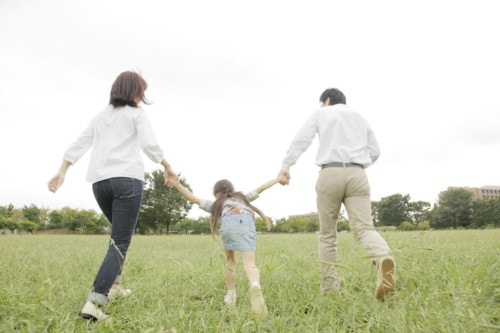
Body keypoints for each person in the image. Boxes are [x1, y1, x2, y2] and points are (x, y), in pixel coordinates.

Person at [48, 71, 178, 320]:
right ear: (135, 92)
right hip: (127, 181)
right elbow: (150, 145)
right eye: (141, 91)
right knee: (120, 242)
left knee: (117, 237)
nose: (143, 96)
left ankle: (115, 287)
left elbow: (79, 143)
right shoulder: (136, 114)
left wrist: (61, 171)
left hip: (99, 184)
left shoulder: (100, 117)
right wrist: (168, 166)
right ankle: (94, 303)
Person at [278, 88, 395, 301]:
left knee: (328, 235)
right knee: (364, 228)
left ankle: (331, 288)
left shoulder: (321, 113)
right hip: (358, 173)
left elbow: (300, 140)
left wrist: (286, 166)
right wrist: (357, 167)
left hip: (330, 172)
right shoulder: (359, 117)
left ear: (327, 100)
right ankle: (382, 257)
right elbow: (375, 151)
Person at [169, 176, 286, 320]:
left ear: (216, 193)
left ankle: (231, 295)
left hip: (228, 223)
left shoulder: (217, 204)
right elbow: (262, 187)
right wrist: (278, 179)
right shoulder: (243, 198)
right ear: (232, 190)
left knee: (230, 261)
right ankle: (255, 285)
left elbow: (193, 199)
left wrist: (177, 185)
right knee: (250, 263)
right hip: (245, 222)